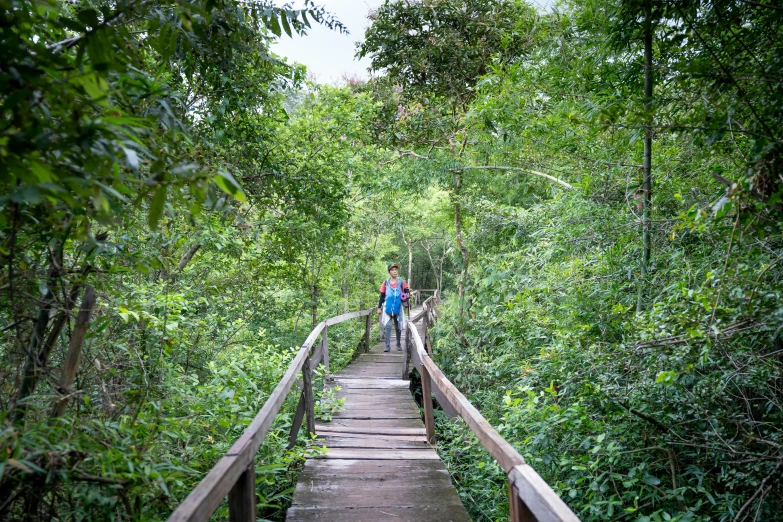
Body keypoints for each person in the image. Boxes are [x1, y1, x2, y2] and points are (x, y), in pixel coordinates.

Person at [377, 263, 410, 352]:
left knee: (398, 326)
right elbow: (382, 296)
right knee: (388, 326)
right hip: (387, 307)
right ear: (389, 272)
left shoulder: (402, 282)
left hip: (398, 307)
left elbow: (407, 291)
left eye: (396, 270)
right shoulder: (385, 283)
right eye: (392, 270)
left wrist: (407, 294)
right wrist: (379, 307)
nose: (395, 271)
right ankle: (387, 346)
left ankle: (398, 344)